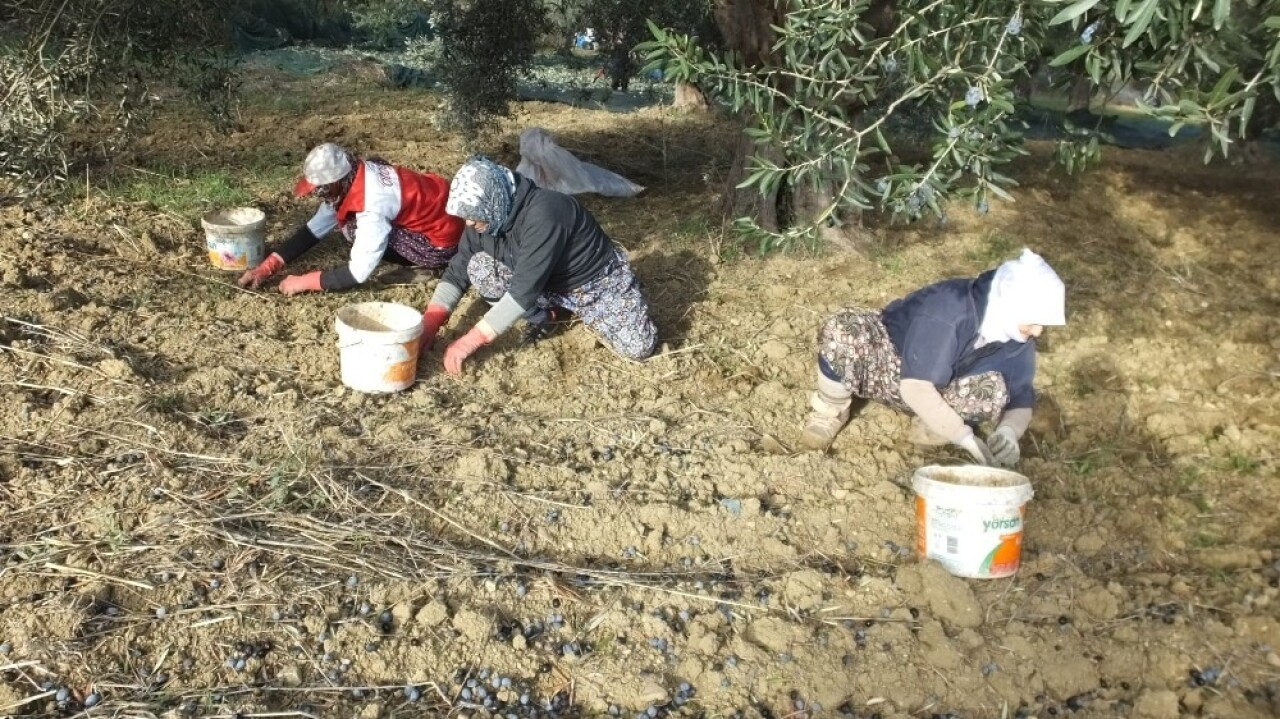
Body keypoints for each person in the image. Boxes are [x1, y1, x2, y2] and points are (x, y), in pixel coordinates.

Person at [801, 249, 1066, 467]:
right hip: (889, 364)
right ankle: (830, 409)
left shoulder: (1016, 336)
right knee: (845, 330)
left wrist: (1009, 431)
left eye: (1043, 324)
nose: (1038, 331)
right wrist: (965, 438)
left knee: (994, 390)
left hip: (935, 388)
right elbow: (915, 388)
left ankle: (934, 424)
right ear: (1010, 304)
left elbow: (1020, 396)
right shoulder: (950, 308)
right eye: (1033, 321)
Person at [419, 156, 657, 376]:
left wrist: (470, 340)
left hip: (591, 283)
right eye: (466, 215)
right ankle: (548, 315)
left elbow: (523, 290)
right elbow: (457, 271)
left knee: (638, 347)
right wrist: (430, 323)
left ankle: (619, 295)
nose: (469, 222)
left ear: (494, 201)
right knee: (479, 268)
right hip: (544, 283)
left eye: (475, 214)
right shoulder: (487, 221)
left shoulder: (546, 212)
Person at [238, 143, 464, 295]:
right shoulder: (357, 174)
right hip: (444, 215)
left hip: (442, 244)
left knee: (351, 229)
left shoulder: (371, 205)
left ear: (336, 182)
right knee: (344, 219)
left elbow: (359, 272)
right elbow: (314, 229)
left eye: (322, 190)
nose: (321, 196)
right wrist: (267, 267)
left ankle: (430, 265)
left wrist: (303, 282)